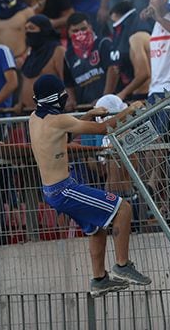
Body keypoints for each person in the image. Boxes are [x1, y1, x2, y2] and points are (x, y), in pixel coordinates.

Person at [28, 73, 151, 295]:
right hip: (64, 190)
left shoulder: (34, 118)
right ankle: (123, 266)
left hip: (52, 190)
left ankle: (99, 279)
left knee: (97, 227)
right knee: (123, 208)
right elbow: (100, 129)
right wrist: (128, 111)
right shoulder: (59, 120)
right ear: (56, 98)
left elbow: (64, 135)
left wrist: (88, 114)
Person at [64, 12, 119, 111]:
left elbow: (113, 69)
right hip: (85, 108)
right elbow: (68, 83)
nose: (80, 34)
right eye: (75, 30)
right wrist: (71, 100)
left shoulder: (103, 44)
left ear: (90, 27)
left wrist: (104, 100)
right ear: (68, 32)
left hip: (108, 107)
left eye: (83, 29)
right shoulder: (68, 55)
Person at [19, 15, 65, 111]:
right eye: (26, 29)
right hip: (28, 114)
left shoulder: (58, 51)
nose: (28, 32)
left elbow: (66, 81)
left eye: (31, 28)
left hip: (51, 114)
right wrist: (20, 103)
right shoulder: (30, 54)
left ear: (44, 30)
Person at [109, 1, 151, 102]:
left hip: (144, 96)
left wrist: (122, 94)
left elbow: (144, 73)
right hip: (135, 95)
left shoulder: (137, 37)